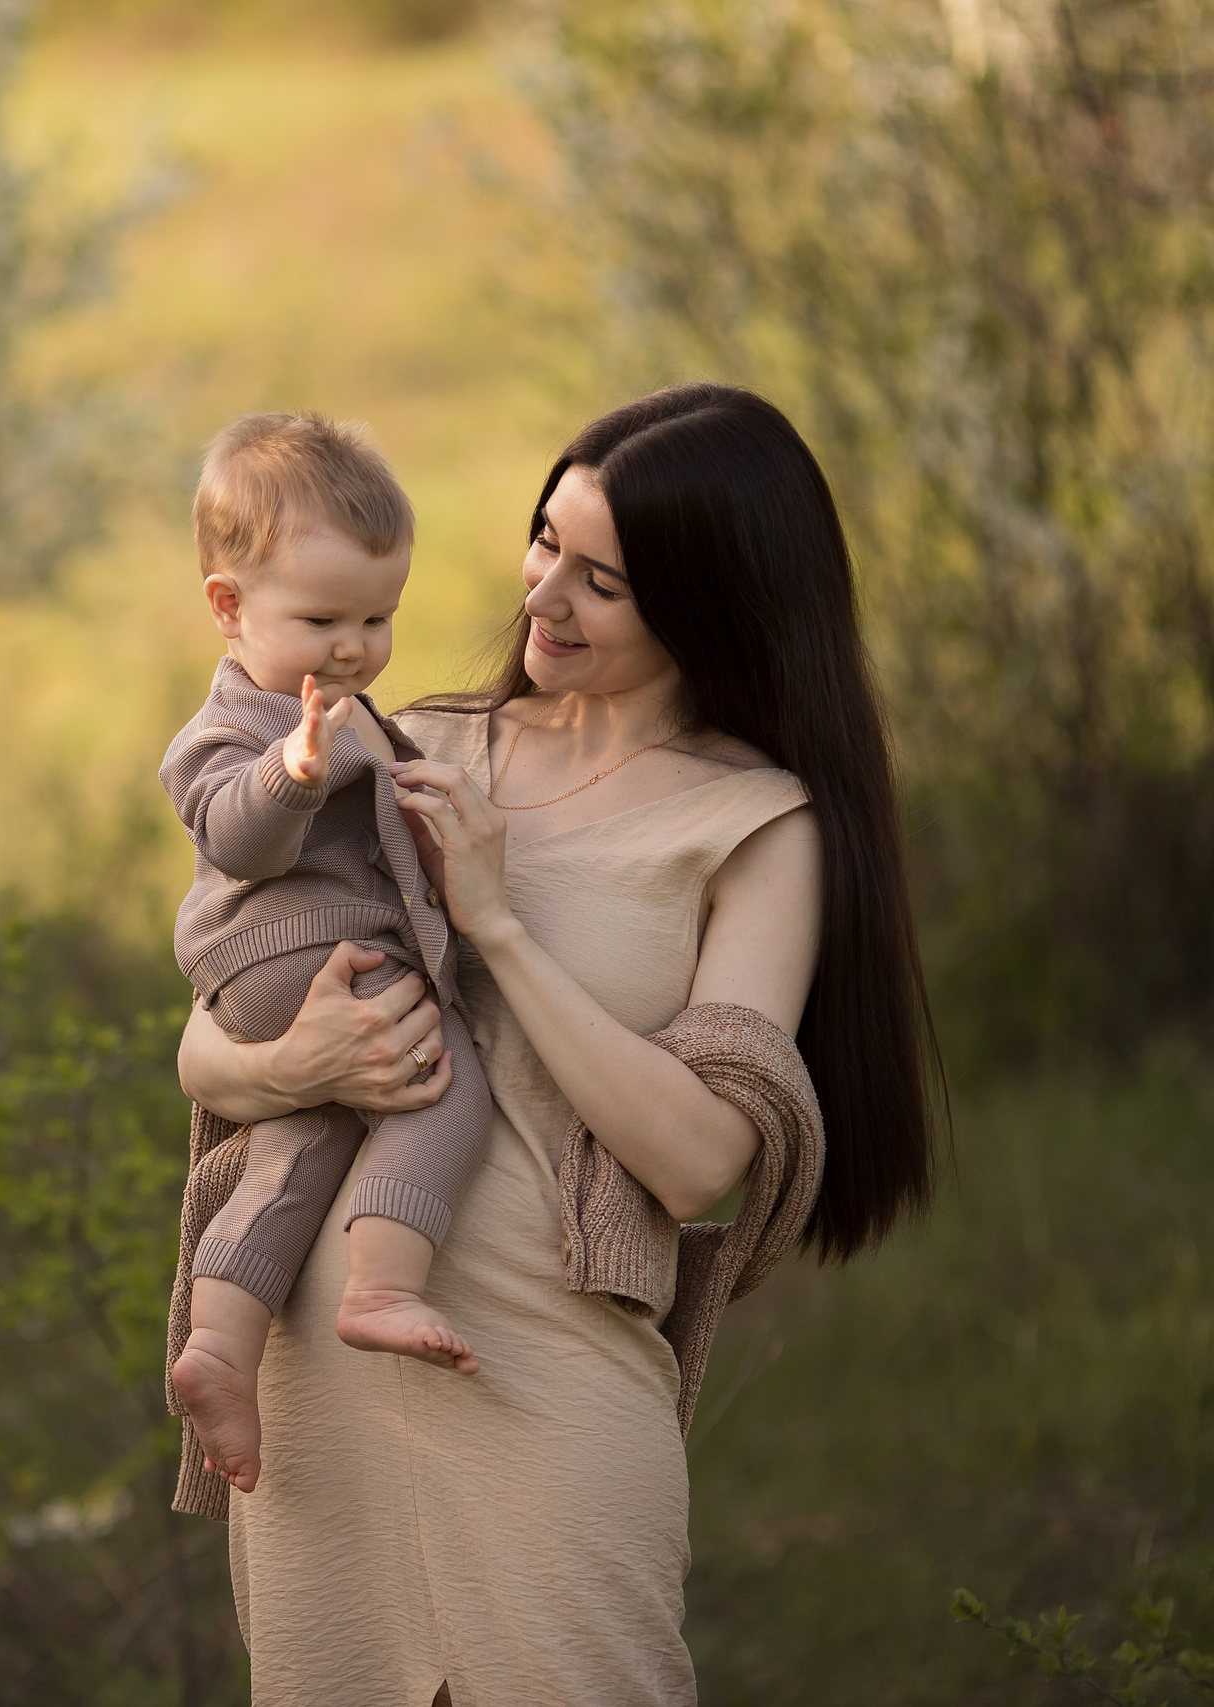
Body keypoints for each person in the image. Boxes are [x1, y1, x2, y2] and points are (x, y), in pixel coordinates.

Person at [175, 384, 940, 1703]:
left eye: (603, 581)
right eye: (545, 541)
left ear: (713, 602)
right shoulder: (412, 740)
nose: (542, 598)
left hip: (548, 1389)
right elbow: (210, 1026)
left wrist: (502, 927)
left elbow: (701, 1161)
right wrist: (285, 1067)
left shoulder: (755, 825)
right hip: (318, 1395)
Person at [160, 414, 494, 1508]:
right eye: (320, 619)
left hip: (280, 982)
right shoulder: (238, 727)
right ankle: (385, 1283)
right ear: (227, 606)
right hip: (295, 951)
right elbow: (232, 835)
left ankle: (219, 1342)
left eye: (378, 617)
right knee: (441, 1073)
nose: (352, 648)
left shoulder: (345, 707)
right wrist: (293, 770)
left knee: (292, 1149)